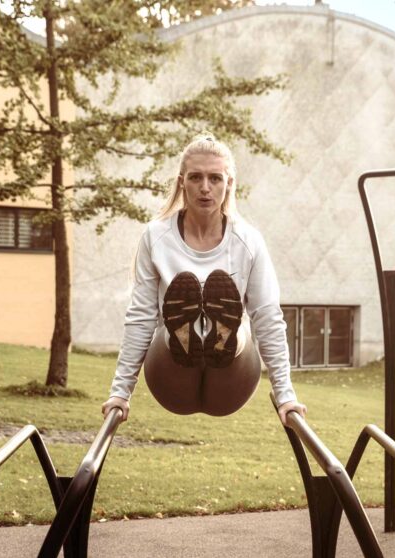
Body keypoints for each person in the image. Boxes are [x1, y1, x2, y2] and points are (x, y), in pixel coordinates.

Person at [101, 134, 306, 427]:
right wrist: (120, 394)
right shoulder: (156, 236)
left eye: (215, 178)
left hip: (231, 382)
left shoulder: (247, 241)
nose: (205, 188)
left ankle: (224, 337)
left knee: (241, 335)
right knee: (165, 334)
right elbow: (142, 316)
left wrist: (286, 396)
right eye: (196, 177)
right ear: (182, 182)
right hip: (170, 379)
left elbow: (268, 316)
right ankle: (185, 334)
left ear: (229, 183)